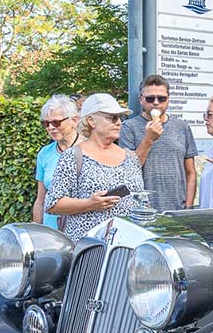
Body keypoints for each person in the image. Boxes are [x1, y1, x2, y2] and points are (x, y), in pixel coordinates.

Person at [47, 93, 146, 238]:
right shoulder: (73, 156)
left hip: (126, 245)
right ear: (91, 121)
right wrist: (89, 204)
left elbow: (140, 201)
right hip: (89, 246)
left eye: (120, 118)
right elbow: (52, 204)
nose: (119, 123)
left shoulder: (130, 157)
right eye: (112, 118)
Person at [119, 74, 196, 211]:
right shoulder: (129, 127)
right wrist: (149, 139)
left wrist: (188, 206)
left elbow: (190, 172)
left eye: (161, 98)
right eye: (150, 98)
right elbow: (128, 170)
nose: (156, 102)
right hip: (143, 209)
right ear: (141, 100)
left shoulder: (182, 127)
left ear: (168, 99)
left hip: (178, 207)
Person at [33, 95, 80, 227]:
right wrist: (36, 230)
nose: (51, 127)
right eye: (46, 123)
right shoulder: (45, 153)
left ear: (74, 120)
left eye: (56, 122)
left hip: (81, 228)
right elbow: (41, 200)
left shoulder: (90, 149)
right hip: (50, 231)